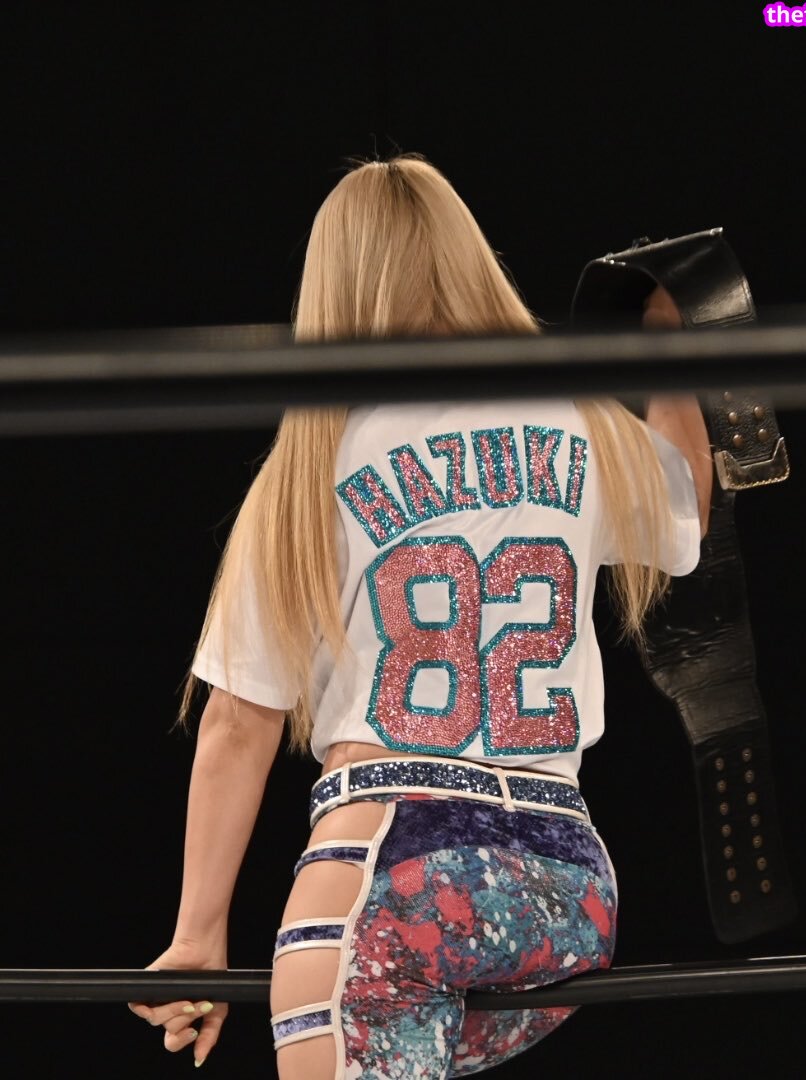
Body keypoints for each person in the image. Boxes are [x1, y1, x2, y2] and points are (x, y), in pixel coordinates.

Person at [128, 154, 712, 1079]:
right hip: (569, 894)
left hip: (398, 874)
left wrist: (198, 936)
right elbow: (686, 515)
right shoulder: (584, 420)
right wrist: (672, 344)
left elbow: (239, 721)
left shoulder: (313, 464)